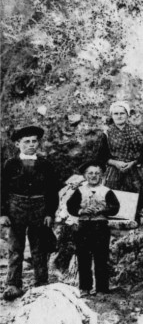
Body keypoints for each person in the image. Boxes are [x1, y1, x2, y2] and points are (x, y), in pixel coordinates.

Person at [0, 126, 59, 300]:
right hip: (16, 208)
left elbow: (52, 191)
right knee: (15, 247)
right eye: (27, 142)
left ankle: (41, 282)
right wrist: (3, 213)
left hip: (39, 208)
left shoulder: (45, 164)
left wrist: (50, 213)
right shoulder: (10, 164)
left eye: (34, 141)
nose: (31, 145)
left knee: (39, 247)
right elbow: (2, 190)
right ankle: (13, 284)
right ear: (18, 144)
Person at [66, 162, 120, 297]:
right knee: (83, 258)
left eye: (97, 173)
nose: (93, 176)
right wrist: (81, 210)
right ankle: (85, 287)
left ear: (101, 175)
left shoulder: (107, 191)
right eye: (90, 173)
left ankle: (102, 288)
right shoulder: (80, 191)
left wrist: (104, 209)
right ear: (85, 176)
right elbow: (70, 206)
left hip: (100, 227)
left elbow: (115, 207)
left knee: (101, 258)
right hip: (83, 227)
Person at [98, 101, 143, 195]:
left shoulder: (135, 132)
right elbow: (101, 155)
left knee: (138, 195)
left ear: (127, 115)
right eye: (116, 114)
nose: (119, 116)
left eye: (122, 113)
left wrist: (133, 162)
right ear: (112, 116)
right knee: (114, 196)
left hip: (134, 168)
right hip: (114, 169)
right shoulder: (107, 133)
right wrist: (116, 163)